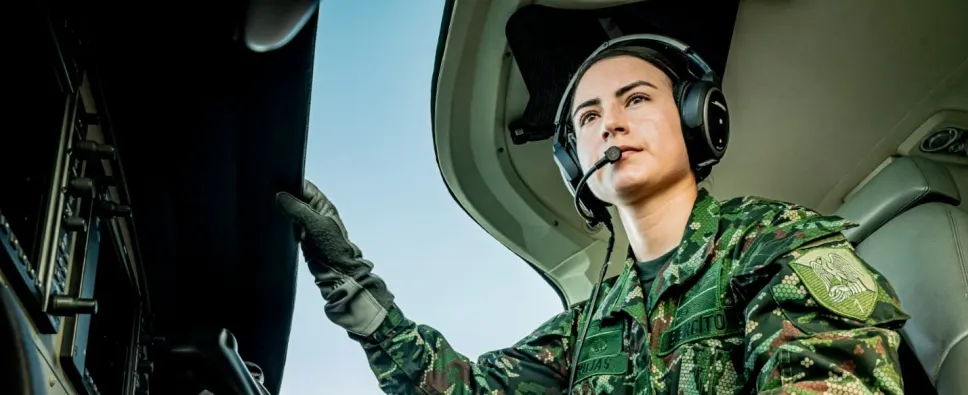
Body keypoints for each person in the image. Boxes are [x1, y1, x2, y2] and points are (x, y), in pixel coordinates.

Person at [275, 34, 911, 394]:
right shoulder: (586, 329)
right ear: (574, 161)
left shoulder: (776, 244)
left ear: (696, 119)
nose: (611, 123)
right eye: (588, 117)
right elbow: (460, 389)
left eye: (636, 99)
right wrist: (350, 280)